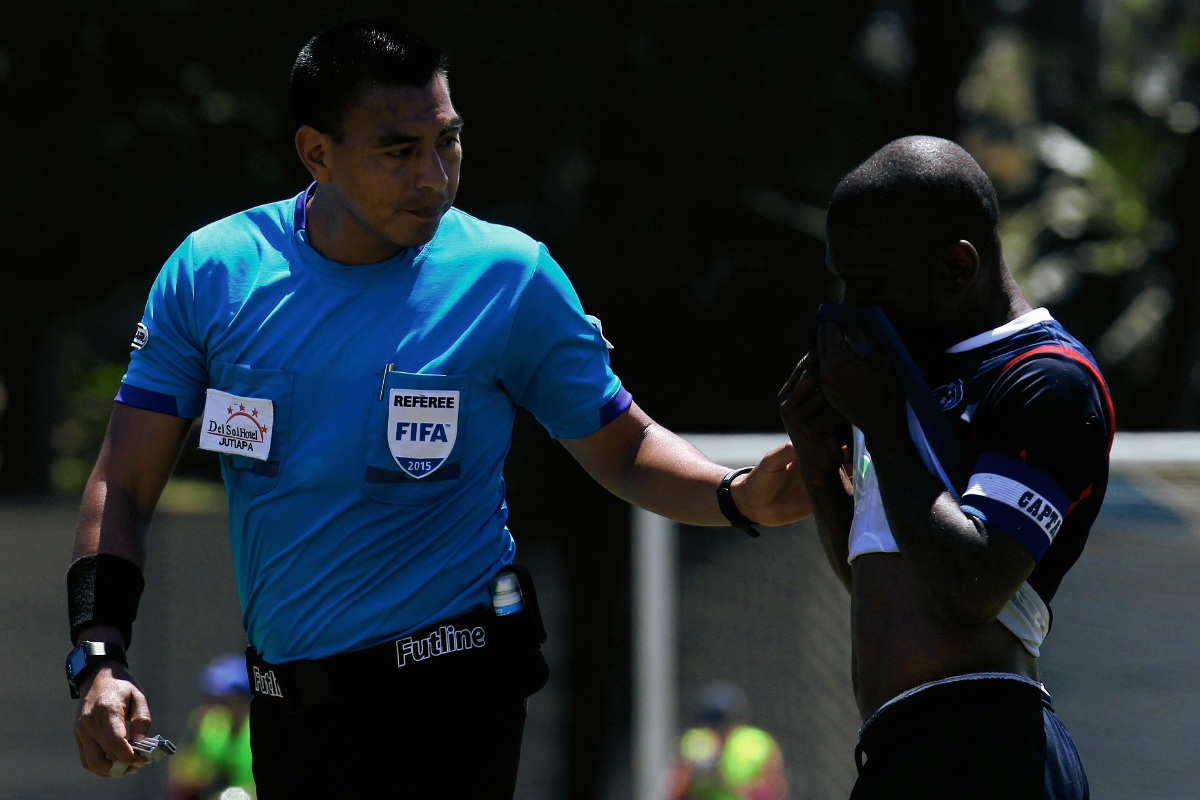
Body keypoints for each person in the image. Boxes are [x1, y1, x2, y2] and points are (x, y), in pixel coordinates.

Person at [64, 20, 812, 798]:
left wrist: (733, 494)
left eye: (447, 141)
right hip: (287, 708)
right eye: (398, 151)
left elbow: (623, 447)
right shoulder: (211, 275)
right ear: (317, 153)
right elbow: (124, 483)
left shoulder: (508, 277)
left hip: (453, 687)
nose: (433, 176)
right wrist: (100, 656)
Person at [778, 136, 1111, 799]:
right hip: (899, 748)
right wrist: (819, 463)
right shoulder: (901, 373)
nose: (849, 306)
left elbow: (969, 588)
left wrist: (882, 427)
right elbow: (883, 583)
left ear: (958, 266)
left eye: (870, 285)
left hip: (990, 751)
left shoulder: (1046, 378)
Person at [668, 682, 787, 800]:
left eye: (724, 724)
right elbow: (677, 789)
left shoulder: (756, 744)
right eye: (712, 724)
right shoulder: (693, 745)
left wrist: (729, 782)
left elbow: (774, 787)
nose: (718, 731)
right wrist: (693, 775)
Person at [166, 654, 255, 800]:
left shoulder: (263, 731)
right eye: (213, 697)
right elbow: (183, 776)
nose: (216, 705)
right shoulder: (209, 722)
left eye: (225, 700)